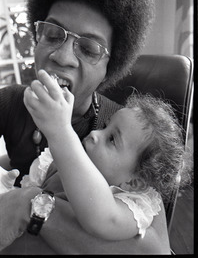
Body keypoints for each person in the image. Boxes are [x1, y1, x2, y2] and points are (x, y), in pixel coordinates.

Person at [0, 0, 173, 255]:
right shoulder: (11, 102)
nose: (62, 56)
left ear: (110, 68)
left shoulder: (125, 130)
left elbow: (151, 249)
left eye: (89, 48)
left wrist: (31, 206)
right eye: (53, 35)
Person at [0, 70, 191, 243]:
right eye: (104, 126)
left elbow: (102, 218)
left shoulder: (133, 205)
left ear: (135, 183)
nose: (94, 134)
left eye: (111, 140)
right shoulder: (60, 164)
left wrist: (61, 131)